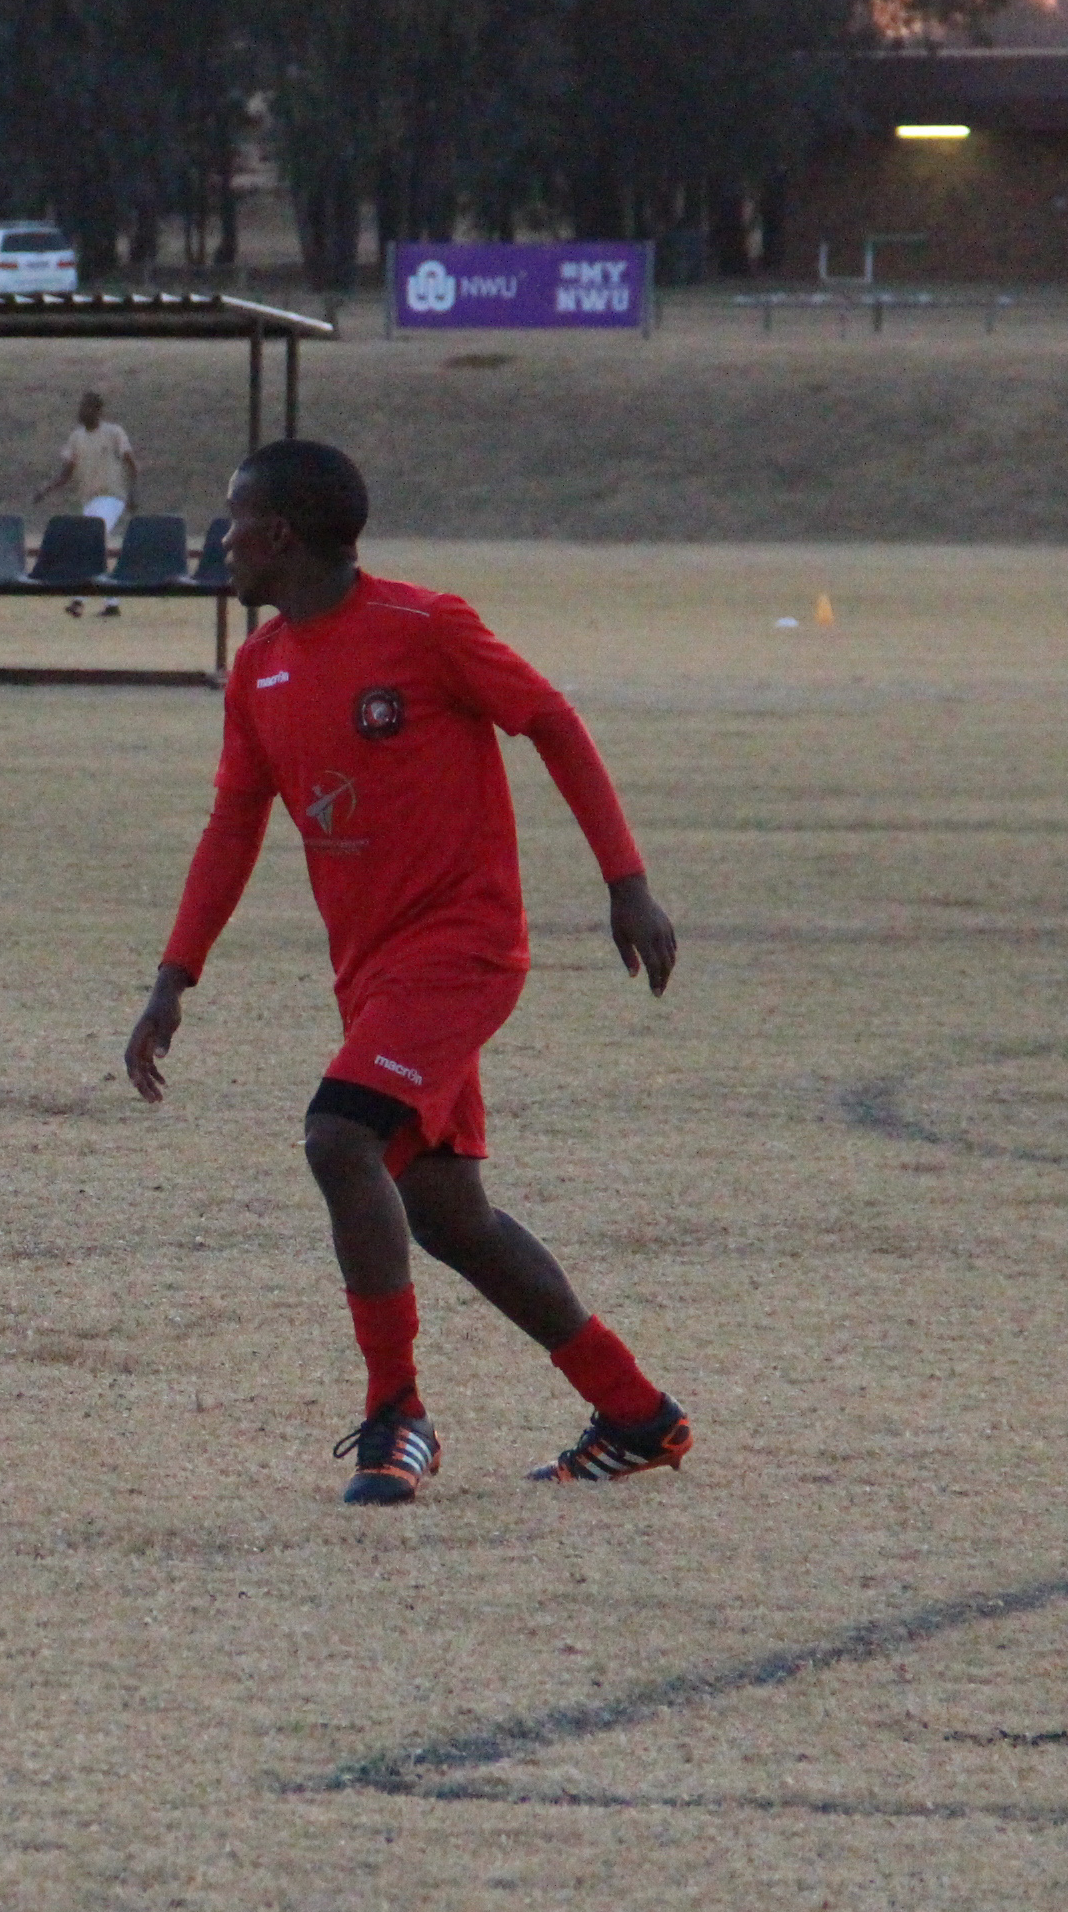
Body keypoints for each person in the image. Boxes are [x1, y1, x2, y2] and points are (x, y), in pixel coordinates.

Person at [124, 440, 684, 1502]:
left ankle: (397, 1414)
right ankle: (635, 1412)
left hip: (465, 950)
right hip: (373, 977)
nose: (220, 539)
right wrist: (173, 976)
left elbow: (551, 721)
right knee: (447, 1214)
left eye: (233, 518)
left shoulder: (427, 629)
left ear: (278, 535)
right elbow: (234, 824)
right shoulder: (259, 668)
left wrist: (627, 882)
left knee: (339, 1137)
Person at [33, 389, 136, 618]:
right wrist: (46, 489)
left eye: (87, 407)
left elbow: (131, 464)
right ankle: (112, 603)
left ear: (98, 411)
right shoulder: (76, 438)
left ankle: (78, 600)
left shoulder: (114, 433)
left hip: (112, 497)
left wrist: (132, 494)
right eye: (81, 407)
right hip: (89, 500)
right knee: (96, 549)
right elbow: (66, 473)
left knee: (91, 542)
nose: (81, 411)